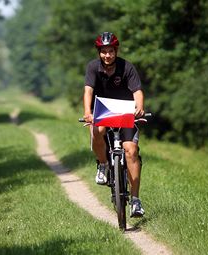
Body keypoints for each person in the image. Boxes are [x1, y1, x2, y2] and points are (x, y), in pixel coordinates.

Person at [83, 32, 146, 217]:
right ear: (99, 52)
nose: (107, 55)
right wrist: (88, 112)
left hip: (125, 112)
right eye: (104, 52)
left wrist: (140, 107)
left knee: (131, 150)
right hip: (102, 111)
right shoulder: (93, 67)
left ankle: (135, 200)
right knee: (97, 130)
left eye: (111, 51)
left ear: (116, 51)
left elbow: (137, 91)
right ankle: (103, 164)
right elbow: (88, 91)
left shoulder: (127, 67)